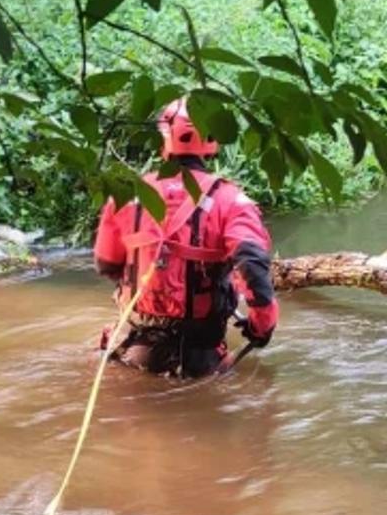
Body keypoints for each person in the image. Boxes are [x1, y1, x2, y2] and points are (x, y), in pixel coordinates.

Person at [92, 98, 279, 378]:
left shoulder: (127, 195)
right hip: (198, 355)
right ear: (211, 139)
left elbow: (106, 264)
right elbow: (252, 266)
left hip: (133, 345)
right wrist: (261, 326)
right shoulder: (232, 201)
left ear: (163, 138)